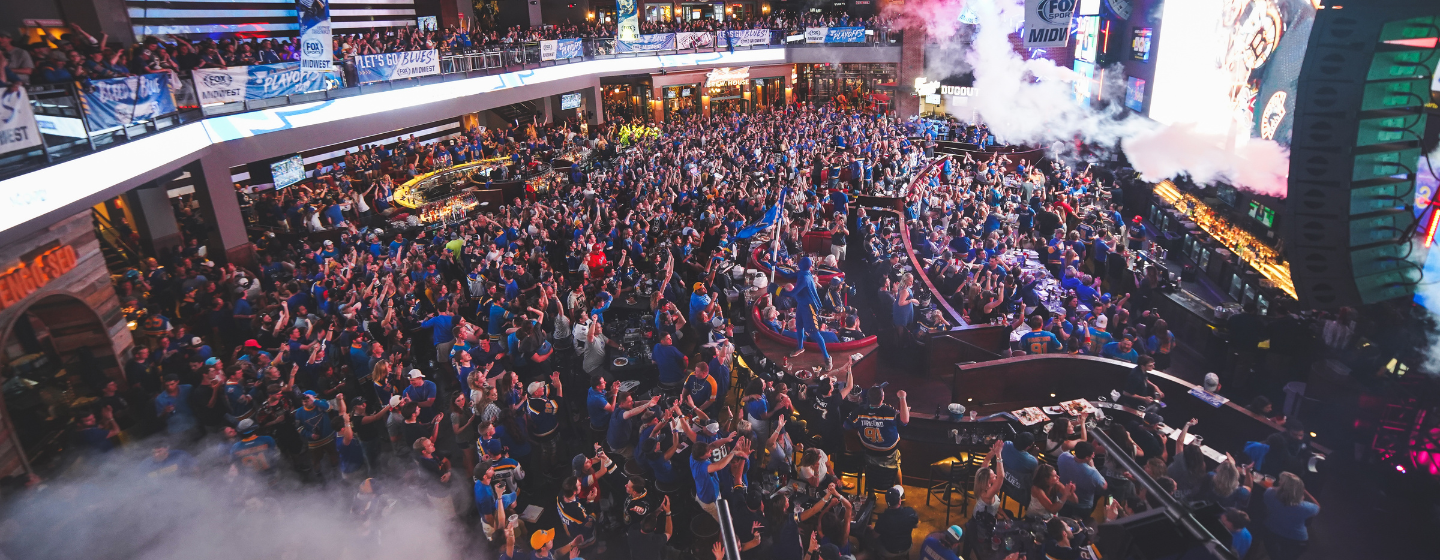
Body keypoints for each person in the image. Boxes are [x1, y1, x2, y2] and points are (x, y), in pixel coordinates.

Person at [844, 382, 908, 492]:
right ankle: (899, 492)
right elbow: (904, 420)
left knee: (870, 463)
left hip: (868, 451)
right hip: (888, 452)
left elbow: (846, 425)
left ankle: (871, 494)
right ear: (882, 398)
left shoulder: (860, 411)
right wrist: (902, 398)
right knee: (896, 462)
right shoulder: (889, 411)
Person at [783, 257, 832, 370]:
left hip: (809, 307)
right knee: (799, 326)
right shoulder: (802, 273)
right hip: (801, 304)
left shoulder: (805, 278)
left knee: (814, 333)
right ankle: (800, 347)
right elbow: (787, 276)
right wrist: (774, 267)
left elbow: (792, 293)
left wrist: (776, 290)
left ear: (803, 265)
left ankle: (827, 357)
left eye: (800, 262)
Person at [1261, 472, 1319, 560]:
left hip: (1271, 533)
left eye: (1281, 481)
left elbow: (1272, 491)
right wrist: (1304, 490)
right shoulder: (1305, 507)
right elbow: (1317, 506)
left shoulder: (1269, 494)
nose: (1279, 482)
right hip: (1296, 541)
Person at [1057, 440, 1106, 519]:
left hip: (1063, 499)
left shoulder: (1063, 457)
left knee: (1063, 521)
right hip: (1083, 506)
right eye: (1092, 454)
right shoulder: (1092, 472)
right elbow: (1104, 486)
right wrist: (1092, 466)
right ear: (1087, 457)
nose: (1093, 455)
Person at [871, 485, 918, 556]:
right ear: (900, 500)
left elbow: (875, 535)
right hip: (907, 547)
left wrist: (870, 529)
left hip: (888, 551)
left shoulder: (883, 518)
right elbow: (916, 525)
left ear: (887, 503)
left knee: (869, 539)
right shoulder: (910, 512)